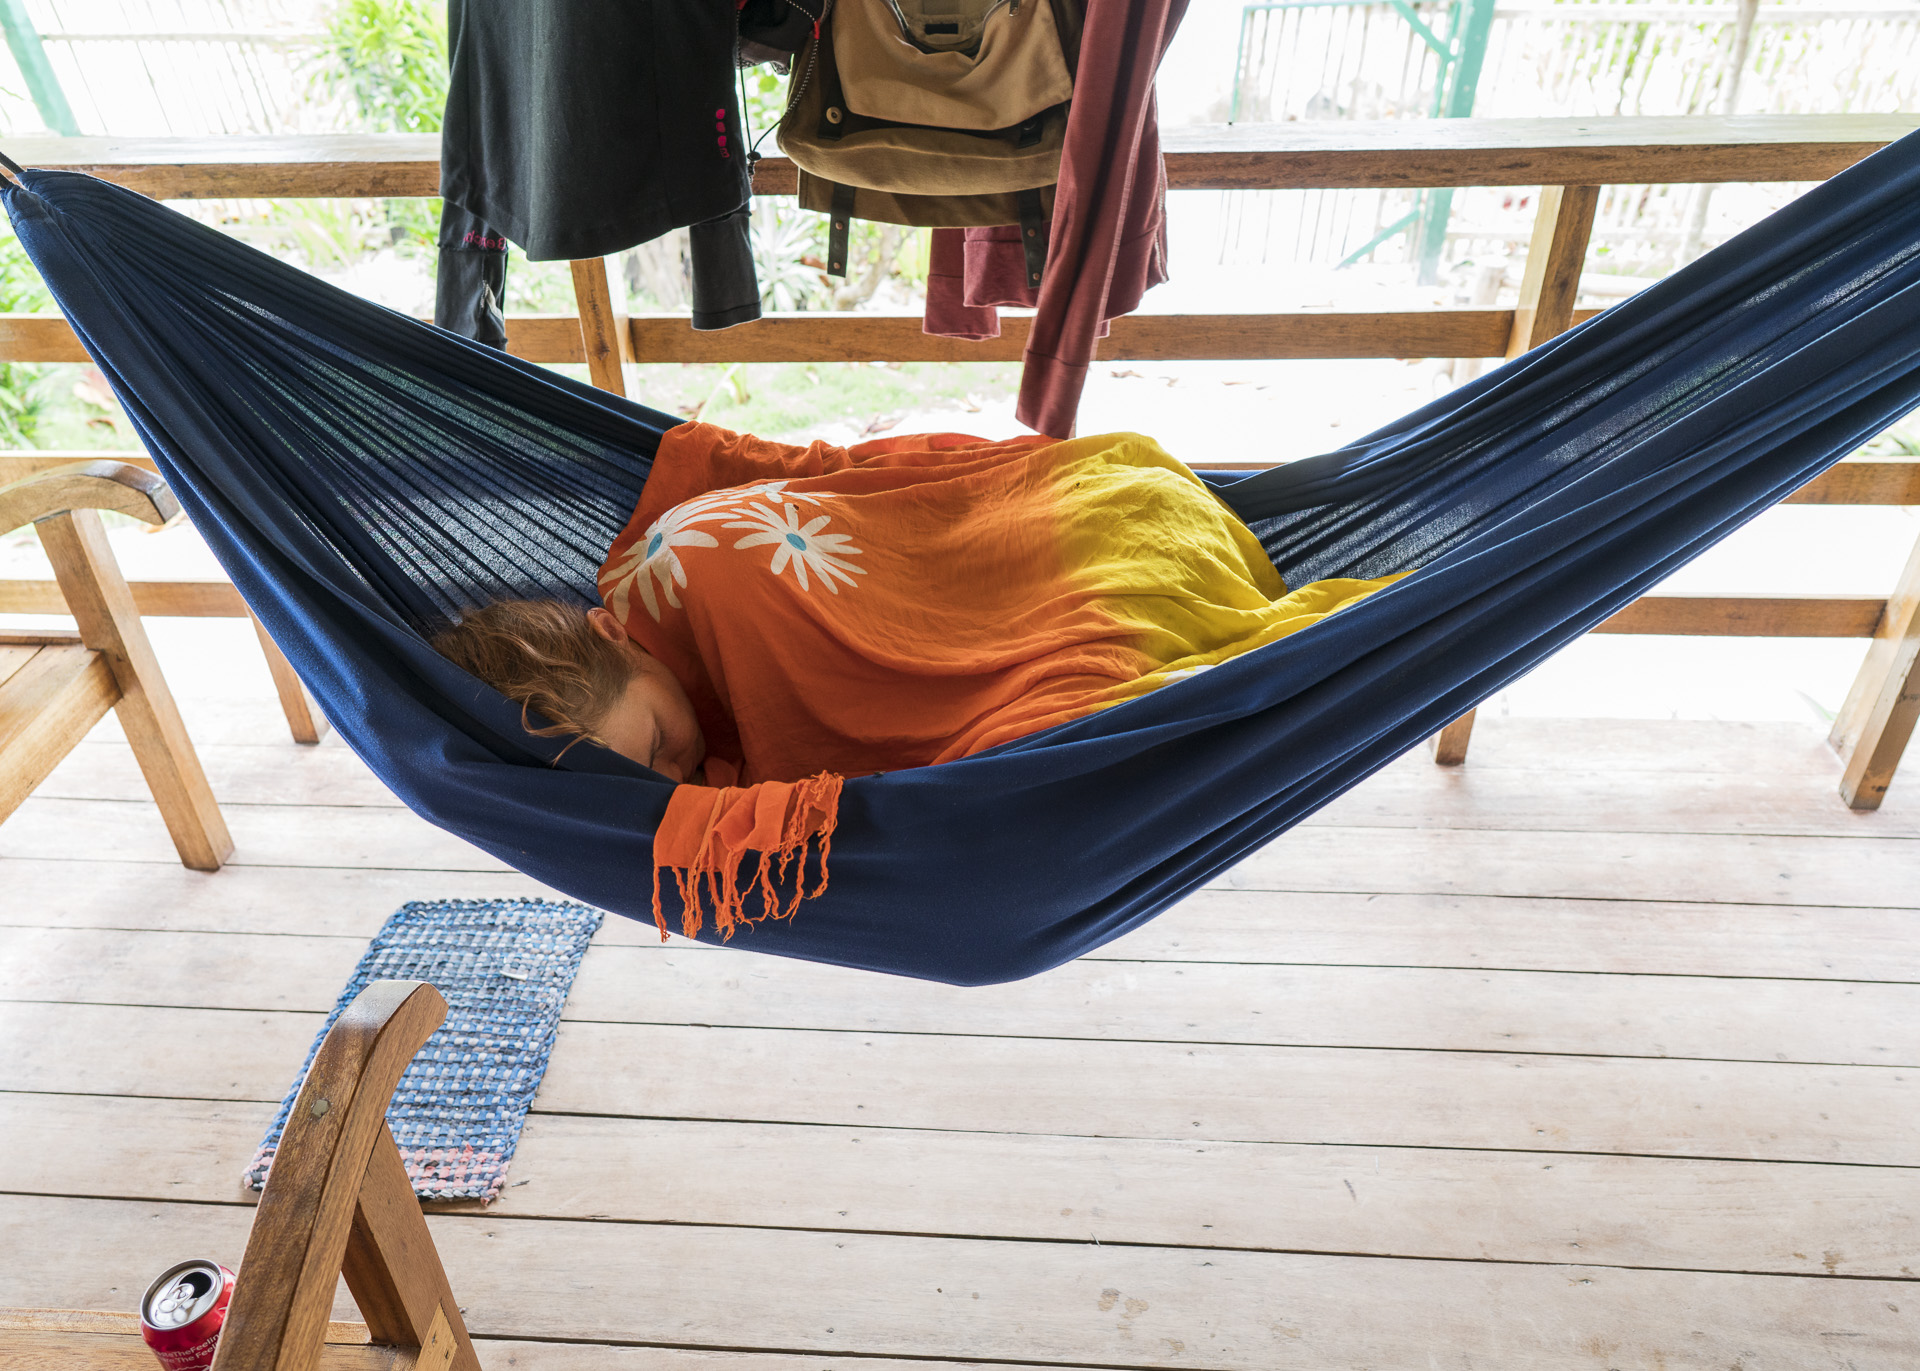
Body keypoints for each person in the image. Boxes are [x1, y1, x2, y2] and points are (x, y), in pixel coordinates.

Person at [433, 422, 1407, 794]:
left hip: (1107, 542)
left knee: (1051, 721)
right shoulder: (648, 607)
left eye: (655, 744)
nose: (672, 777)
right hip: (1108, 498)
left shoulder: (702, 581)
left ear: (612, 630)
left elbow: (832, 700)